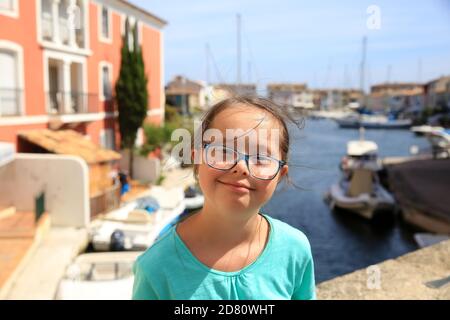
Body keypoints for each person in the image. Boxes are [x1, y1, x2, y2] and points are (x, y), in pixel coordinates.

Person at [132, 96, 316, 300]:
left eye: (261, 158)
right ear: (197, 159)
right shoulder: (156, 266)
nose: (241, 167)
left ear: (280, 175)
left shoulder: (295, 250)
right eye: (223, 151)